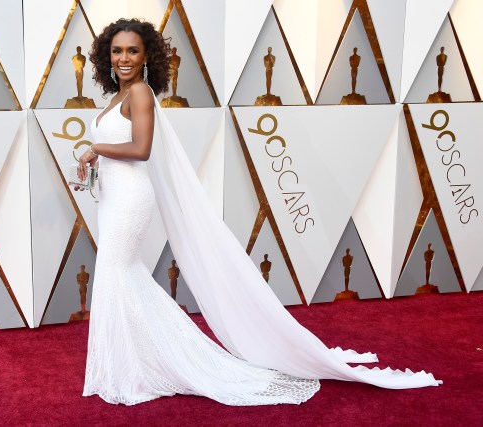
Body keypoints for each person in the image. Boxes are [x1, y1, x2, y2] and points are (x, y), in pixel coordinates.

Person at [76, 18, 440, 406]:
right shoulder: (117, 97)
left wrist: (95, 149)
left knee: (118, 274)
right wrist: (94, 166)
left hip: (131, 200)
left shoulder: (141, 94)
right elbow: (120, 151)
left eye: (133, 50)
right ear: (106, 57)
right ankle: (129, 364)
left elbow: (141, 150)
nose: (124, 58)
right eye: (117, 51)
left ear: (147, 54)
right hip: (113, 199)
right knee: (121, 277)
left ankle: (157, 363)